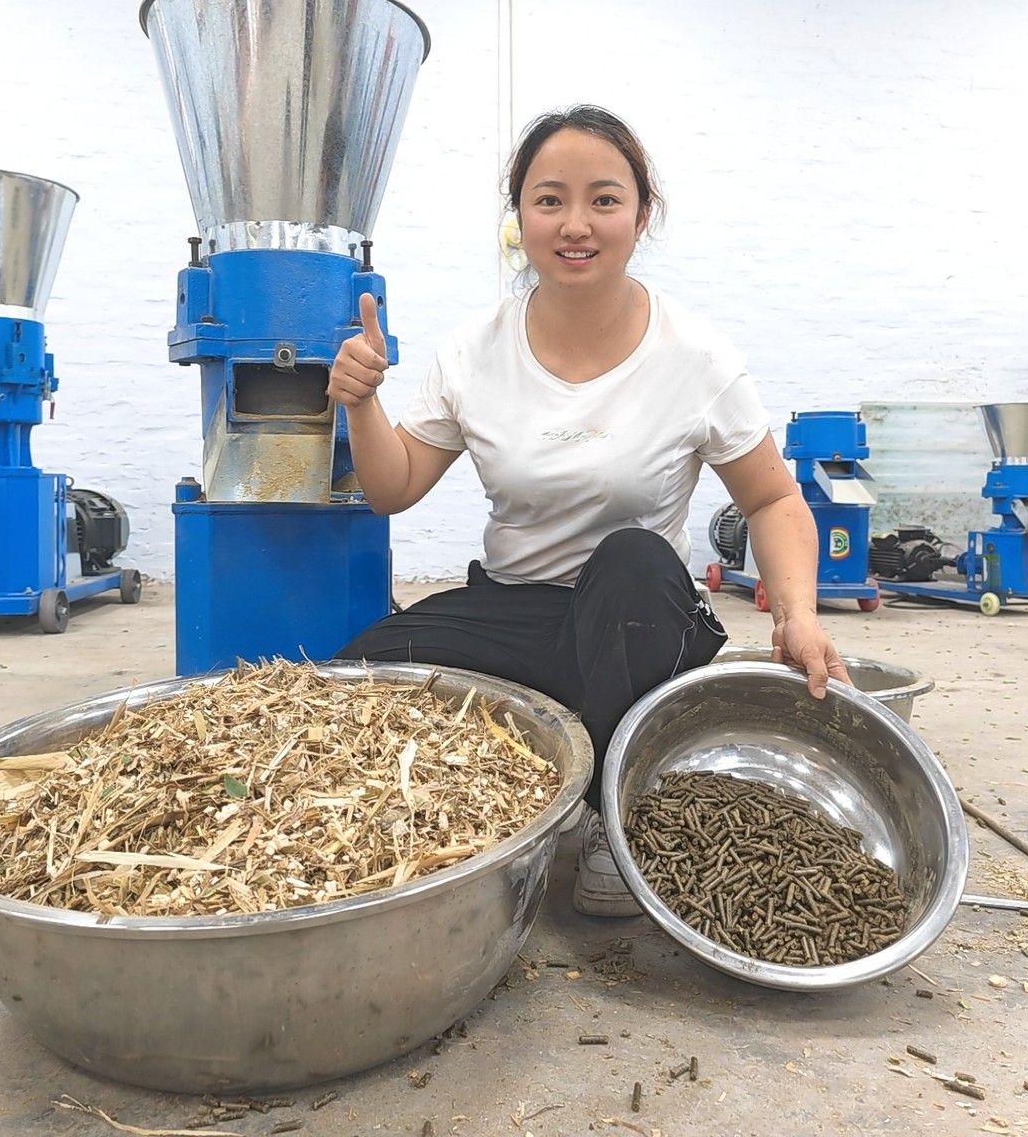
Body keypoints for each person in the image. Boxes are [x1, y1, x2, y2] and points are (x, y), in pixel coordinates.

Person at [327, 104, 850, 916]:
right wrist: (360, 402)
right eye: (549, 200)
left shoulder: (695, 354)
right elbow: (394, 488)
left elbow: (774, 497)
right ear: (521, 217)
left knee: (633, 556)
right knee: (348, 683)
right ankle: (510, 787)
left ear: (643, 214)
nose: (576, 224)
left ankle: (615, 812)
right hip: (519, 609)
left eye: (604, 199)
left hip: (643, 621)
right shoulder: (473, 349)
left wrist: (799, 612)